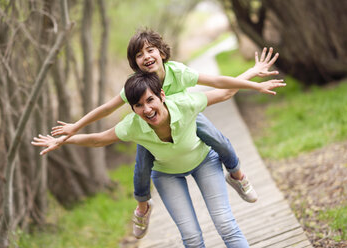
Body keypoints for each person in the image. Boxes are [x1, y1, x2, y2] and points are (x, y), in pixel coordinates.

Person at [49, 29, 280, 239]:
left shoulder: (177, 73)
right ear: (135, 63)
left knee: (214, 136)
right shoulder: (135, 90)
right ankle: (142, 205)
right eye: (139, 54)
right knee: (142, 164)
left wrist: (252, 77)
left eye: (150, 50)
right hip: (150, 129)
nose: (146, 56)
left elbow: (219, 85)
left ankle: (237, 174)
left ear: (161, 53)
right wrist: (73, 129)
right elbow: (106, 112)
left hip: (185, 115)